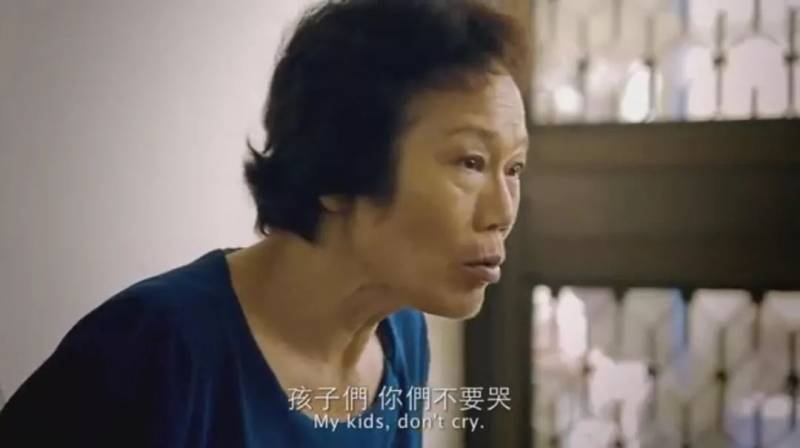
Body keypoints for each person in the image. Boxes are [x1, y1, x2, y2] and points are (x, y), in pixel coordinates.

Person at [0, 0, 529, 446]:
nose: (503, 212)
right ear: (339, 167)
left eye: (514, 169)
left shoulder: (401, 334)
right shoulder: (155, 349)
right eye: (471, 162)